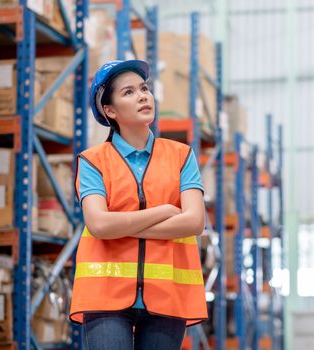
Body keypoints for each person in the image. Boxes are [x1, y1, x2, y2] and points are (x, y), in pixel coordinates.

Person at [69, 60, 208, 350]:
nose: (143, 96)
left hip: (167, 295)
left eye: (144, 88)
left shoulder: (181, 156)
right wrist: (165, 212)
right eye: (129, 92)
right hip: (106, 296)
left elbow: (195, 222)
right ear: (110, 111)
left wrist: (120, 225)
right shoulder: (93, 161)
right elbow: (98, 225)